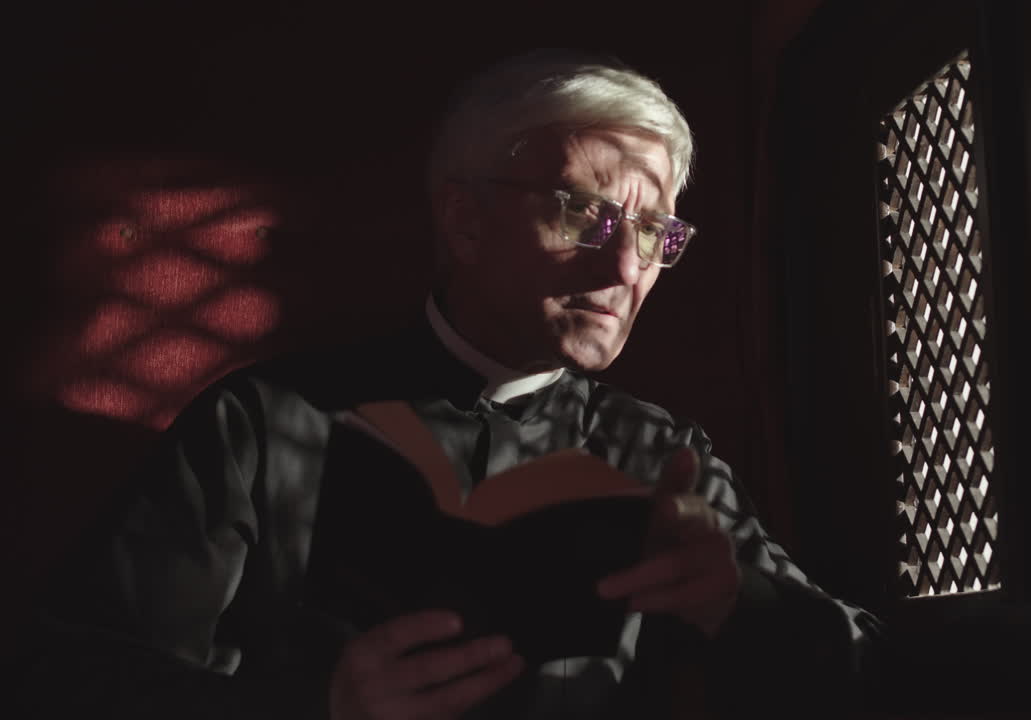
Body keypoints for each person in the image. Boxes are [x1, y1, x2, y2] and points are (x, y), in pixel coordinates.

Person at [22, 50, 882, 719]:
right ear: (464, 221)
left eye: (654, 229)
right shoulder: (261, 424)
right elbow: (73, 678)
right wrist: (318, 707)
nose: (624, 265)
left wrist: (740, 598)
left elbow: (861, 665)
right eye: (584, 212)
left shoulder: (661, 455)